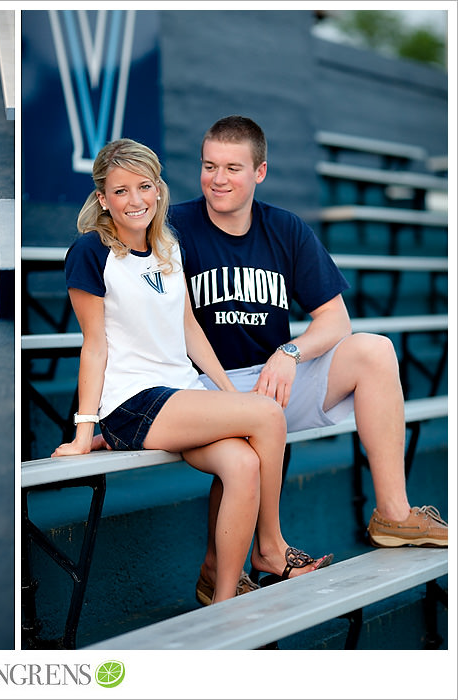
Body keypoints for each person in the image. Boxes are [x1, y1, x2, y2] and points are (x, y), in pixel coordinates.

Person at [169, 115, 448, 602]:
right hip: (202, 387)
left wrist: (290, 351)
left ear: (260, 172)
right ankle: (233, 565)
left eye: (233, 168)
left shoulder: (285, 229)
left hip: (273, 385)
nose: (218, 179)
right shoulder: (175, 228)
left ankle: (393, 514)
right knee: (250, 431)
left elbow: (335, 322)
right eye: (209, 166)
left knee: (374, 350)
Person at [52, 138, 332, 605]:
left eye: (144, 187)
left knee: (242, 462)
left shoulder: (167, 247)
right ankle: (270, 547)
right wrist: (85, 430)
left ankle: (223, 599)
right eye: (120, 191)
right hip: (134, 400)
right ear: (103, 198)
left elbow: (190, 331)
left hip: (181, 394)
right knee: (266, 416)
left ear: (158, 190)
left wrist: (227, 395)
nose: (135, 200)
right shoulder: (91, 252)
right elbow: (95, 346)